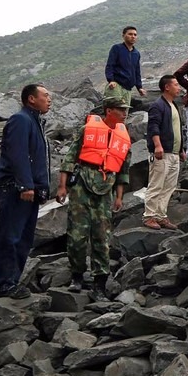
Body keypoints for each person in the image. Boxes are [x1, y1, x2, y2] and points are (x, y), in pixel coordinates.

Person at [56, 97, 132, 299]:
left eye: (126, 110)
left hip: (105, 190)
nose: (125, 114)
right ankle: (77, 276)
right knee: (77, 235)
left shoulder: (123, 137)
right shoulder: (87, 130)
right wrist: (62, 186)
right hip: (82, 186)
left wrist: (119, 197)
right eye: (121, 110)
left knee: (101, 237)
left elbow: (123, 171)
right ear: (109, 111)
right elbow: (69, 158)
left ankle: (100, 283)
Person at [0, 84, 52, 299]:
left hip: (29, 190)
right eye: (45, 95)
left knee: (24, 239)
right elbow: (18, 154)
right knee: (11, 236)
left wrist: (41, 189)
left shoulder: (35, 122)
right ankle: (3, 284)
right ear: (31, 99)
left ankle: (12, 282)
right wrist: (26, 185)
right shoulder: (21, 120)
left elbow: (37, 159)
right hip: (15, 189)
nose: (49, 99)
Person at [143, 75, 186, 230]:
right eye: (176, 85)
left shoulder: (174, 105)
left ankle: (160, 215)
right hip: (162, 152)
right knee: (156, 184)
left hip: (174, 153)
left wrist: (181, 149)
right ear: (167, 87)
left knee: (169, 186)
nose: (179, 87)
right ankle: (149, 216)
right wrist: (157, 145)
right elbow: (153, 126)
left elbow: (177, 129)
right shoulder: (158, 105)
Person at [104, 26, 145, 107]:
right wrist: (111, 80)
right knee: (114, 110)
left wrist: (139, 87)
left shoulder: (136, 53)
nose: (133, 36)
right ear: (123, 36)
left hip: (128, 89)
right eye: (130, 34)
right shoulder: (117, 48)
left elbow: (137, 71)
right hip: (116, 85)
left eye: (135, 35)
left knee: (124, 112)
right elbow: (110, 65)